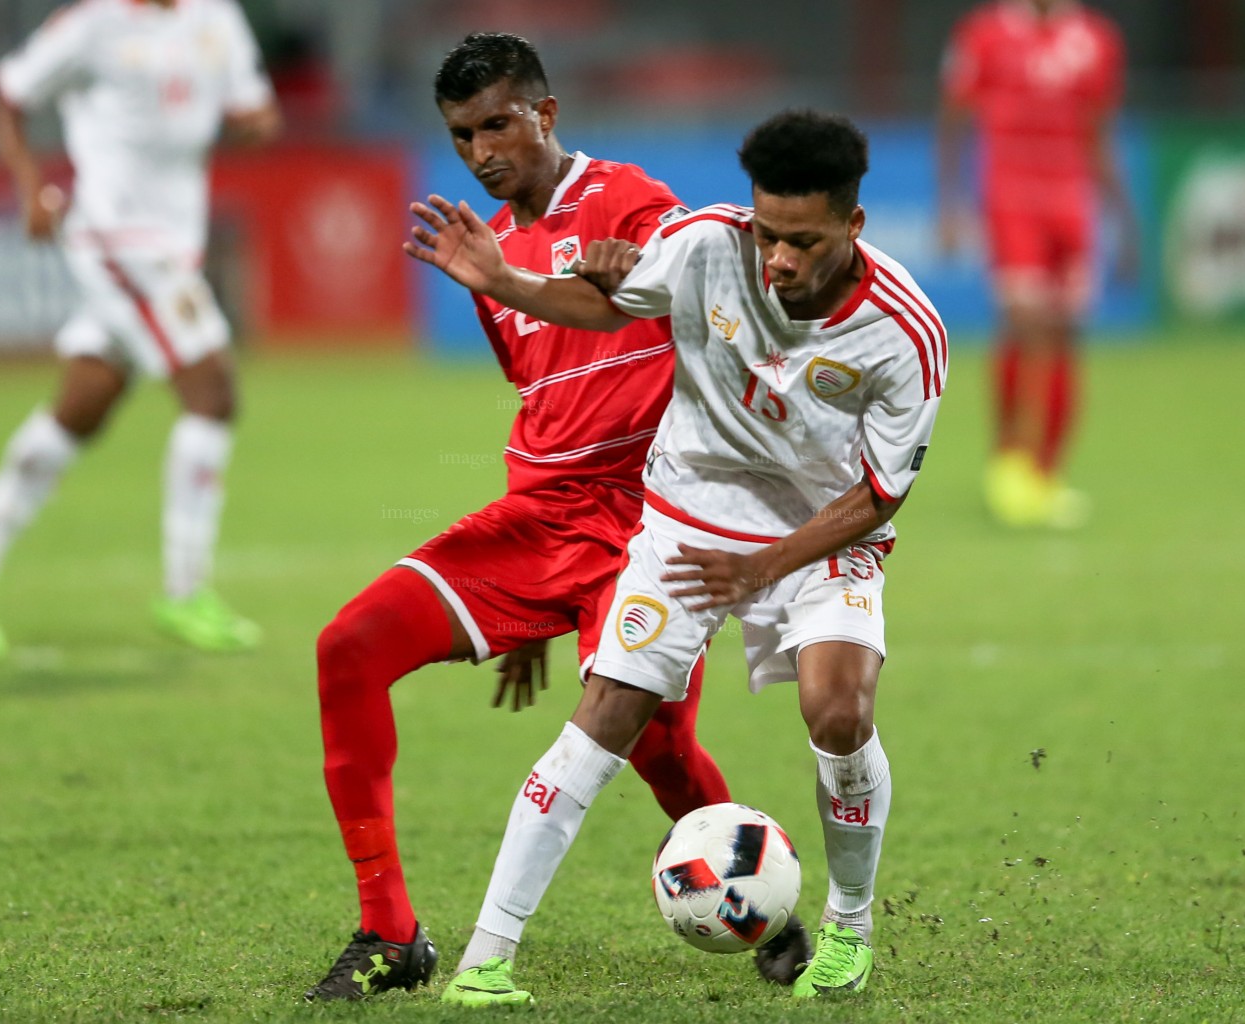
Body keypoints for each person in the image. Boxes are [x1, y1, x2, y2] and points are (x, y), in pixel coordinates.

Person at [304, 33, 810, 1002]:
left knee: (654, 742)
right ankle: (388, 932)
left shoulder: (627, 199)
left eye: (498, 123)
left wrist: (597, 277)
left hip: (644, 523)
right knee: (347, 646)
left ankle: (767, 909)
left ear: (545, 113)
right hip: (536, 522)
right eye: (461, 135)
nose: (483, 149)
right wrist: (518, 615)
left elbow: (668, 293)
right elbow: (541, 391)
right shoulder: (488, 245)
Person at [406, 108, 947, 1004]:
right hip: (688, 520)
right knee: (607, 711)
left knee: (839, 713)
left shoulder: (904, 331)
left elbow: (880, 494)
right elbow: (606, 302)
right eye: (767, 232)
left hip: (818, 534)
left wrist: (764, 568)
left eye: (803, 242)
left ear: (853, 227)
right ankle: (486, 959)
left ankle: (850, 927)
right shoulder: (705, 247)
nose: (777, 259)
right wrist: (506, 279)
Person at [0, 0, 281, 659]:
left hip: (173, 241)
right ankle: (184, 590)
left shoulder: (216, 18)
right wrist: (31, 186)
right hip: (118, 238)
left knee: (83, 404)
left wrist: (254, 123)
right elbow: (9, 96)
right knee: (213, 393)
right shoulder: (93, 24)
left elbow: (251, 110)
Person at [937, 0, 1136, 528]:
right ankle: (1009, 463)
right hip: (1012, 197)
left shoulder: (1097, 39)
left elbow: (1100, 134)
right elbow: (954, 117)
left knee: (1065, 333)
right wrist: (950, 203)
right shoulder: (983, 34)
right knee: (1025, 323)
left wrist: (1125, 223)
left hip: (1071, 203)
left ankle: (1046, 473)